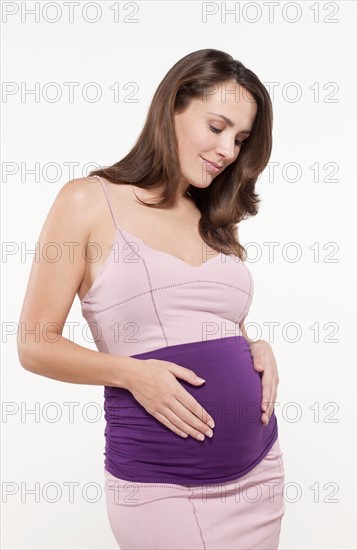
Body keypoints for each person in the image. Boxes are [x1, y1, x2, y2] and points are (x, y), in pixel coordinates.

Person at [17, 48, 285, 549]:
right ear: (173, 108)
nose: (228, 150)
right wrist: (132, 373)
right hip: (163, 483)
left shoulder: (213, 220)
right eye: (218, 126)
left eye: (241, 139)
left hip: (259, 473)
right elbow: (35, 344)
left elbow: (215, 323)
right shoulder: (88, 200)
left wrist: (257, 348)